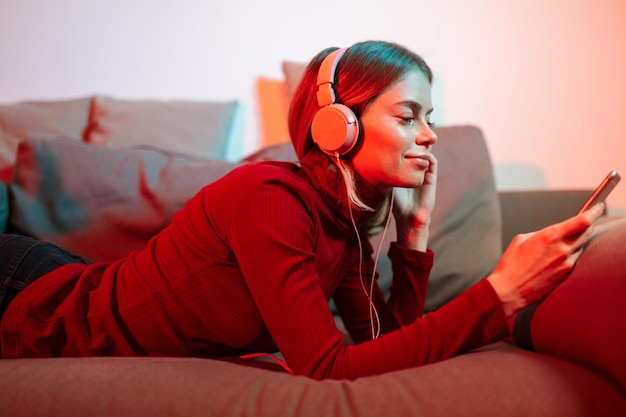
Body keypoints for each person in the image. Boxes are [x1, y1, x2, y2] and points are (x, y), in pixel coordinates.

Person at [0, 40, 619, 384]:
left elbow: (381, 345)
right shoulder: (269, 201)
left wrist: (416, 231)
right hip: (33, 293)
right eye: (409, 117)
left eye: (430, 117)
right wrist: (498, 292)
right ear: (336, 127)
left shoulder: (342, 225)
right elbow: (326, 368)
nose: (431, 135)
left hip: (68, 270)